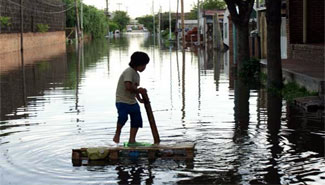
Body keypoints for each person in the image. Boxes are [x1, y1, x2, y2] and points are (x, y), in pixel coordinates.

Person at [113, 51, 149, 144]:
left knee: (137, 119)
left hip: (132, 101)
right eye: (143, 65)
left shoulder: (137, 75)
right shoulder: (129, 71)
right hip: (122, 100)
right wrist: (139, 90)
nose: (145, 68)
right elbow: (128, 86)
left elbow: (134, 88)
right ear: (138, 64)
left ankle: (132, 139)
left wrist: (140, 99)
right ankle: (118, 132)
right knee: (123, 117)